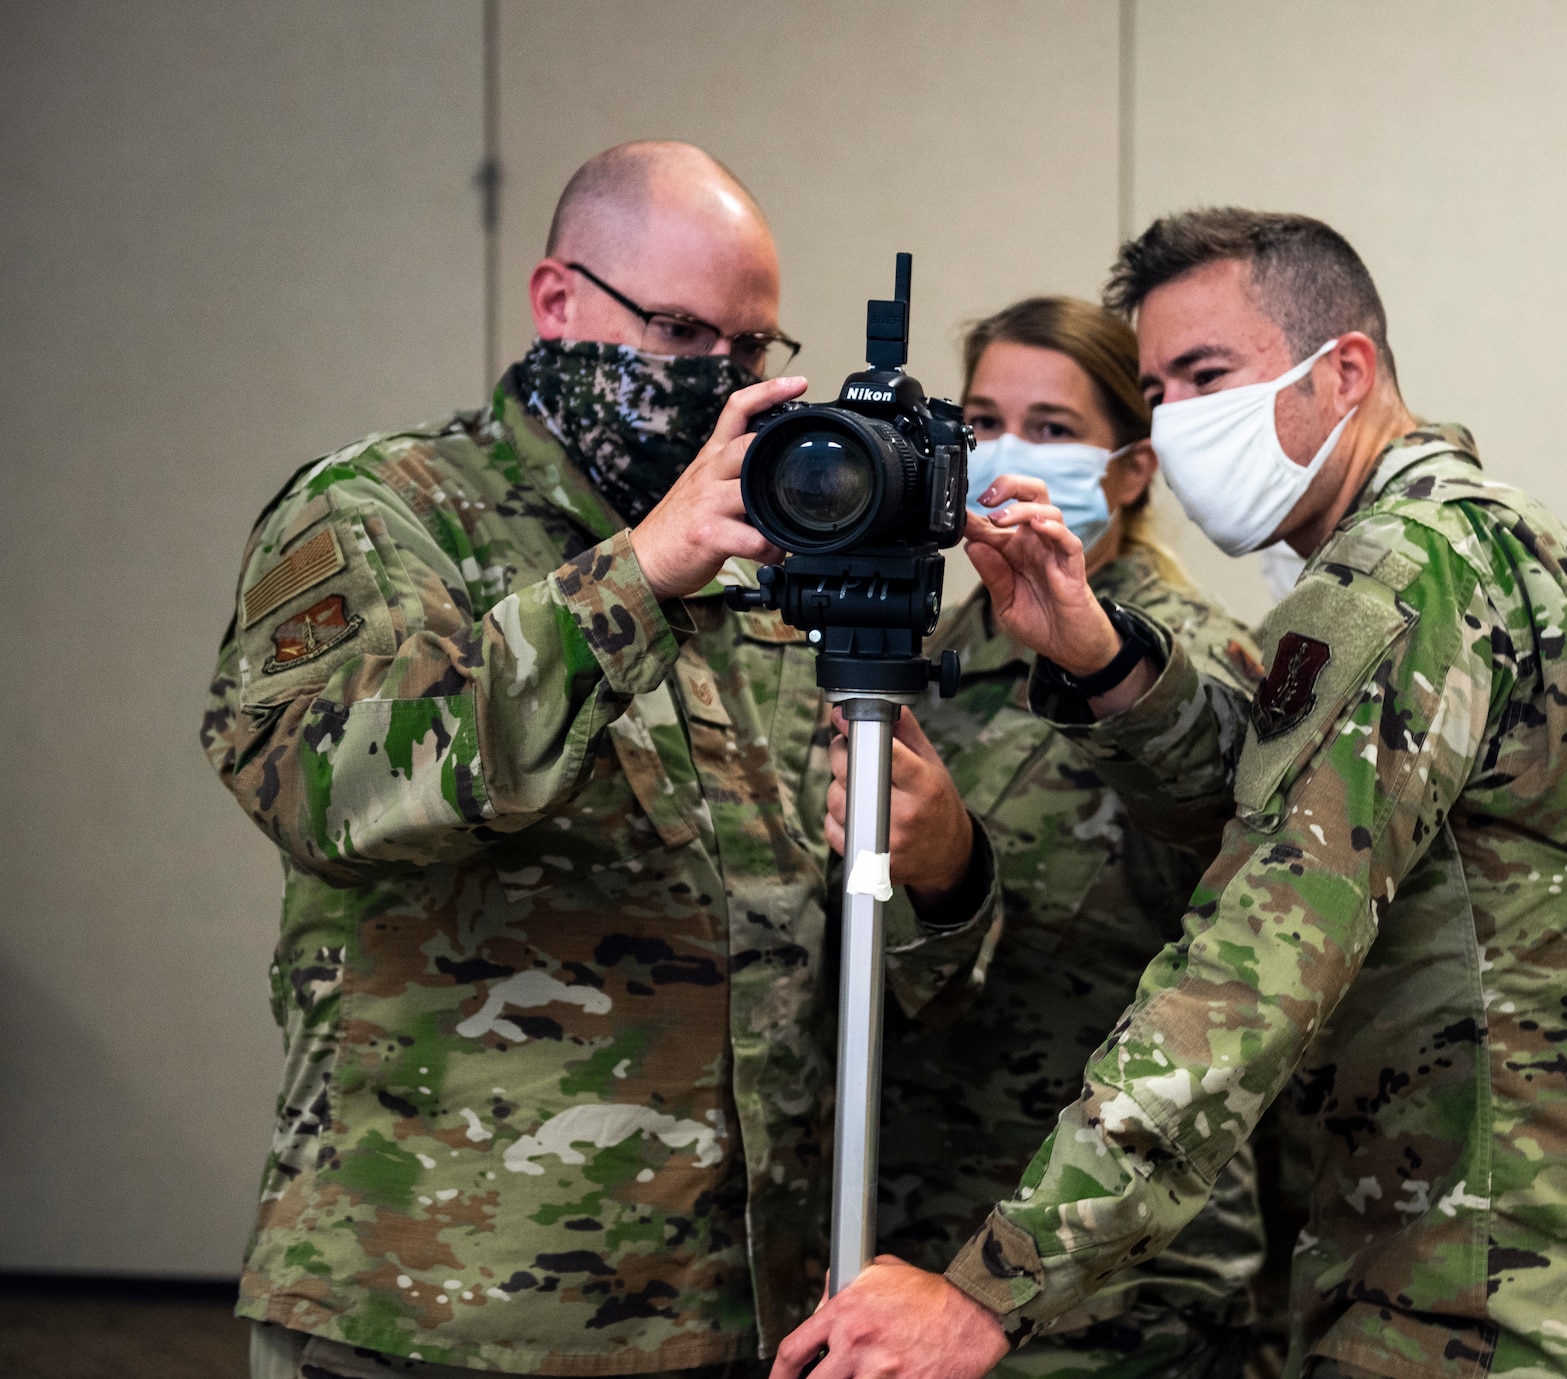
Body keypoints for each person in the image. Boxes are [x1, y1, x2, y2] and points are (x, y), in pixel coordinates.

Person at [775, 208, 1567, 1379]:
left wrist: (992, 1285)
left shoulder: (1396, 576)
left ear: (1342, 369)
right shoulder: (1522, 549)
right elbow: (1282, 802)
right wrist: (1106, 662)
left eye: (1209, 376)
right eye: (1160, 387)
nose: (1184, 421)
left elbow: (1255, 956)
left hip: (1491, 1300)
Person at [201, 140, 997, 1379]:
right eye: (681, 333)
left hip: (734, 1308)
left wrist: (946, 876)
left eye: (750, 352)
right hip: (440, 1309)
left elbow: (856, 958)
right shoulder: (383, 510)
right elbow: (328, 789)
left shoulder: (770, 560)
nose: (719, 382)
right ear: (556, 300)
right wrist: (636, 575)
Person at [862, 297, 1265, 1379]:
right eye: (981, 420)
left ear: (1130, 468)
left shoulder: (1184, 665)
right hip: (916, 1226)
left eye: (1049, 428)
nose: (1004, 454)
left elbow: (1267, 902)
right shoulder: (925, 654)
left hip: (1112, 1268)